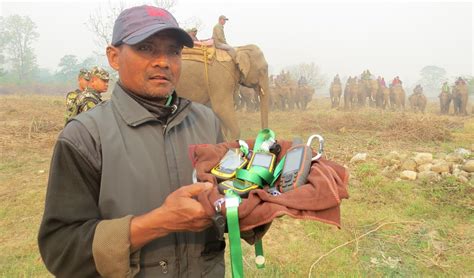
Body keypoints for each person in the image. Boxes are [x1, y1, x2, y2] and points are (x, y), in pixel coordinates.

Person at [38, 5, 225, 277]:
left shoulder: (207, 122)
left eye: (173, 51)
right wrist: (158, 223)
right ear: (113, 57)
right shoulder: (84, 137)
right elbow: (61, 250)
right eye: (147, 48)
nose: (163, 61)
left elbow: (223, 208)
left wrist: (259, 200)